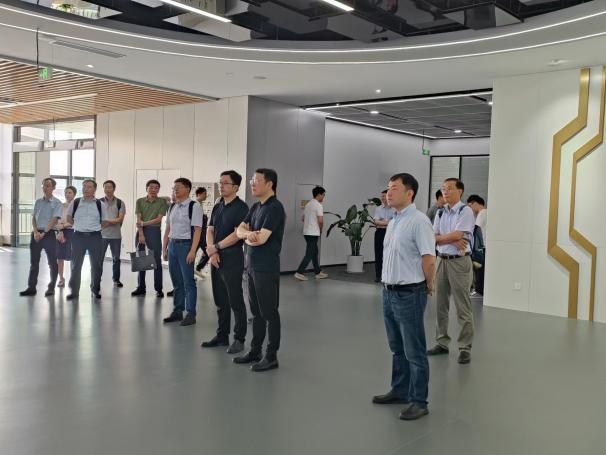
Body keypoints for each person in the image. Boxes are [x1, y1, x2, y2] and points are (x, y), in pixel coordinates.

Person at [372, 173, 435, 421]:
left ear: (410, 193)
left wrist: (429, 284)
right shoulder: (394, 221)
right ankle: (400, 390)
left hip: (410, 293)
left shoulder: (419, 221)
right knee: (397, 347)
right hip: (389, 292)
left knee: (414, 351)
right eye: (388, 188)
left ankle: (419, 401)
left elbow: (429, 258)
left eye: (394, 189)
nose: (388, 193)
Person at [234, 168, 285, 372]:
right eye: (251, 180)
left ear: (269, 184)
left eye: (256, 180)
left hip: (266, 268)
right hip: (252, 267)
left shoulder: (275, 208)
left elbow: (261, 239)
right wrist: (248, 234)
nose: (252, 184)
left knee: (269, 313)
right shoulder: (256, 206)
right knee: (256, 313)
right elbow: (238, 230)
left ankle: (271, 356)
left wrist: (247, 235)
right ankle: (255, 351)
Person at [427, 178, 476, 364]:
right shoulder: (440, 211)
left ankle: (465, 348)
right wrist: (453, 240)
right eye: (443, 189)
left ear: (460, 191)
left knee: (463, 306)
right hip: (441, 260)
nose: (445, 192)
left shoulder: (465, 211)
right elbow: (432, 236)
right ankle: (442, 343)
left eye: (449, 189)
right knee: (441, 305)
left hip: (459, 262)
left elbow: (458, 234)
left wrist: (447, 238)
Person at [200, 171, 250, 354]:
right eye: (220, 182)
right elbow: (210, 229)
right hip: (216, 257)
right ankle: (222, 335)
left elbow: (237, 234)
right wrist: (212, 251)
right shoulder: (218, 205)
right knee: (220, 299)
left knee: (235, 300)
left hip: (232, 257)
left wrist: (216, 247)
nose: (221, 186)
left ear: (235, 187)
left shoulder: (242, 208)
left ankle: (239, 339)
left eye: (225, 183)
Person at [162, 178, 203, 327]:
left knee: (188, 282)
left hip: (186, 246)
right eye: (174, 187)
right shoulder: (172, 206)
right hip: (172, 245)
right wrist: (164, 248)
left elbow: (198, 230)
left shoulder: (194, 206)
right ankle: (177, 311)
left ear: (187, 189)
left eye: (178, 187)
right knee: (177, 282)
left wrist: (192, 251)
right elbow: (168, 229)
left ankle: (191, 313)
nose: (175, 190)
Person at [20, 177, 62, 297]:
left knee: (52, 263)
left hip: (49, 234)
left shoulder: (57, 203)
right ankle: (31, 288)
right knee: (34, 263)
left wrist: (43, 234)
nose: (45, 187)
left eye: (48, 185)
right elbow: (34, 218)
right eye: (43, 185)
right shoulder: (38, 201)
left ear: (53, 187)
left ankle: (51, 288)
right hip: (36, 234)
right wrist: (35, 232)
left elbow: (54, 220)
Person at [66, 179, 107, 301]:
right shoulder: (75, 202)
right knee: (76, 265)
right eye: (84, 186)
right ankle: (74, 292)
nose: (85, 189)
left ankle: (95, 290)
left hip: (95, 237)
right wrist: (79, 226)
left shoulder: (100, 204)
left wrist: (94, 228)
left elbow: (104, 222)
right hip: (78, 237)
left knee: (96, 266)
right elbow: (69, 218)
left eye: (89, 187)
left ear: (94, 189)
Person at [132, 180, 168, 298]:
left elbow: (158, 219)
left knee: (156, 260)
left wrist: (143, 223)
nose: (154, 190)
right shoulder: (140, 201)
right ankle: (141, 287)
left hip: (154, 232)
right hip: (141, 232)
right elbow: (138, 219)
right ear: (146, 188)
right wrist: (141, 233)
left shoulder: (162, 202)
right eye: (151, 187)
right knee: (141, 260)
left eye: (156, 188)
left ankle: (159, 289)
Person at [294, 186, 328, 281]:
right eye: (323, 195)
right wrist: (320, 230)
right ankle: (299, 272)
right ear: (319, 194)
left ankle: (318, 272)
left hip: (307, 232)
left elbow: (303, 218)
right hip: (313, 233)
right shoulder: (318, 205)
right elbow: (321, 221)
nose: (324, 197)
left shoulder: (308, 204)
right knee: (309, 253)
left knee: (314, 252)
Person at [100, 180, 126, 288]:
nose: (107, 189)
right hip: (101, 236)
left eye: (110, 187)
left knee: (116, 259)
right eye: (105, 187)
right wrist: (113, 221)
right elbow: (97, 219)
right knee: (99, 258)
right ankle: (97, 278)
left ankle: (116, 279)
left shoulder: (120, 203)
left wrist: (106, 222)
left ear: (114, 189)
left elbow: (120, 219)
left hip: (116, 236)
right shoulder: (99, 202)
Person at [56, 185, 77, 288]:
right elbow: (57, 220)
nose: (67, 194)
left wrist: (64, 225)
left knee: (73, 257)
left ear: (74, 194)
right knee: (59, 257)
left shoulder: (77, 206)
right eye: (66, 192)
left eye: (69, 192)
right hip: (61, 233)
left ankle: (73, 279)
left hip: (72, 233)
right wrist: (60, 231)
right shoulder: (61, 206)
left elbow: (75, 221)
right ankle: (61, 279)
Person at [467, 194, 488, 296]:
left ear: (475, 203)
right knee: (482, 272)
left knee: (479, 273)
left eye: (470, 206)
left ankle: (478, 292)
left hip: (481, 248)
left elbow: (474, 230)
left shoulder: (482, 213)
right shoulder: (487, 212)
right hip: (485, 247)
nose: (470, 209)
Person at [374, 190, 396, 283]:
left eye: (384, 196)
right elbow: (376, 222)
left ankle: (388, 276)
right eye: (382, 196)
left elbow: (395, 222)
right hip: (380, 232)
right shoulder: (378, 209)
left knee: (389, 254)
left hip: (391, 233)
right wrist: (388, 222)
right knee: (378, 254)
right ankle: (378, 276)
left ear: (389, 196)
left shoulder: (394, 209)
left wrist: (382, 221)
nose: (382, 198)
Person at [194, 186, 210, 278]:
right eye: (204, 194)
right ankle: (196, 269)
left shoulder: (200, 205)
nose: (206, 196)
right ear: (199, 194)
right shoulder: (195, 205)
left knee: (207, 251)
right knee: (207, 251)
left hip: (202, 235)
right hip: (198, 235)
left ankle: (198, 268)